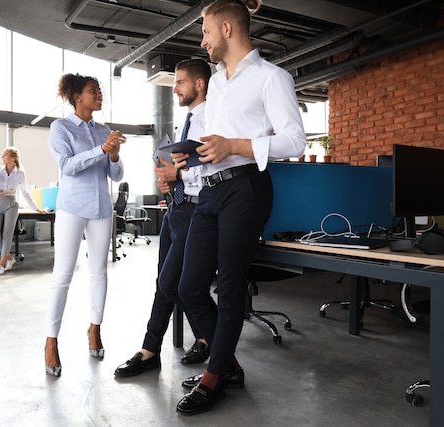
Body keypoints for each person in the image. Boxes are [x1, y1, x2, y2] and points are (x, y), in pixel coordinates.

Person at [174, 0, 306, 415]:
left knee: (229, 289)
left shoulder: (272, 78)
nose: (203, 41)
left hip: (247, 189)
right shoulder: (217, 84)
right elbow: (218, 143)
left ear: (227, 28)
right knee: (189, 287)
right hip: (210, 192)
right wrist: (191, 156)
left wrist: (235, 146)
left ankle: (215, 376)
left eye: (206, 32)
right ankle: (226, 363)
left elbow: (295, 141)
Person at [114, 59, 224, 377]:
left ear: (200, 84)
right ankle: (151, 350)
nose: (174, 87)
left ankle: (215, 342)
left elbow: (217, 167)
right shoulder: (186, 121)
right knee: (163, 284)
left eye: (180, 82)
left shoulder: (214, 119)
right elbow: (183, 169)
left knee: (174, 285)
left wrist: (180, 171)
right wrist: (169, 178)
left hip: (198, 210)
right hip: (176, 207)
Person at [44, 73, 126, 377]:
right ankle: (51, 341)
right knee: (62, 274)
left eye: (100, 91)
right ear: (78, 96)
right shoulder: (60, 128)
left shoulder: (104, 130)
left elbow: (115, 176)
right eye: (94, 91)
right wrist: (102, 150)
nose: (100, 95)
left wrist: (114, 156)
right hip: (72, 208)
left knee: (99, 271)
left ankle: (94, 329)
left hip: (102, 207)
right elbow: (67, 167)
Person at [0, 146, 44, 276]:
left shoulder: (20, 174)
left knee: (7, 234)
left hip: (11, 203)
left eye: (4, 155)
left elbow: (25, 192)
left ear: (12, 158)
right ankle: (10, 258)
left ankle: (1, 264)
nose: (2, 157)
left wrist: (36, 208)